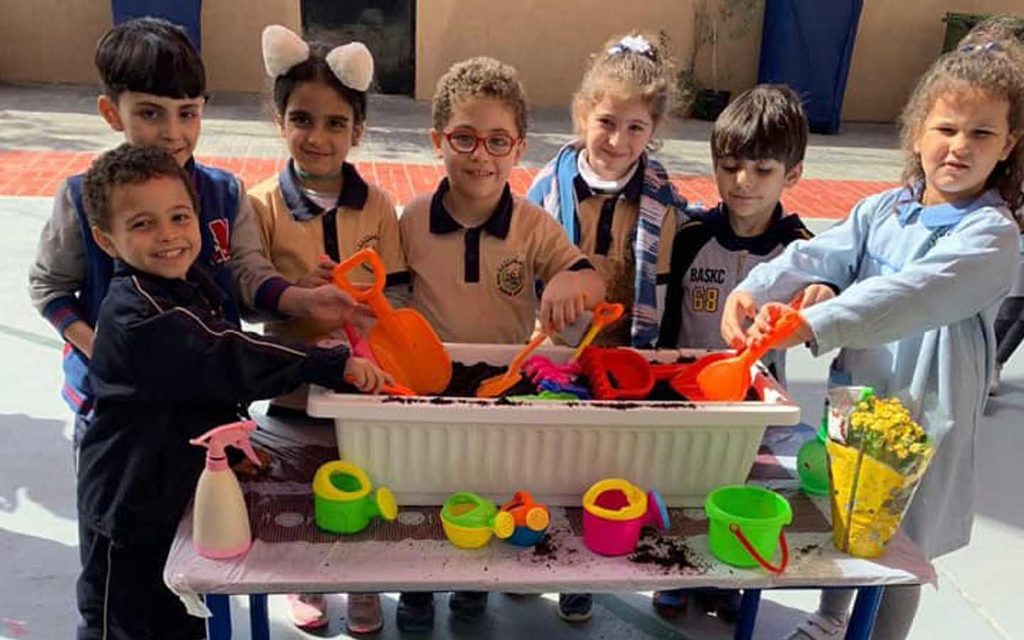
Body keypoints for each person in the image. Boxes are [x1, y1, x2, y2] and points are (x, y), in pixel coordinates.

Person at [721, 42, 1024, 640]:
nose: (959, 146)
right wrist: (754, 288)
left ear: (1008, 145)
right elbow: (818, 255)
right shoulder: (884, 210)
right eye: (946, 128)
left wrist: (814, 323)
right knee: (848, 508)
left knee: (906, 539)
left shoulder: (992, 235)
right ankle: (832, 618)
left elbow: (909, 294)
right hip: (861, 393)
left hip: (926, 406)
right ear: (917, 131)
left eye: (982, 133)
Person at [74, 143, 391, 639]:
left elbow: (195, 389)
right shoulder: (140, 315)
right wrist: (329, 364)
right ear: (106, 240)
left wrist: (231, 446)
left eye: (179, 217)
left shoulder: (183, 283)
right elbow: (225, 352)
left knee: (182, 616)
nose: (168, 235)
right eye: (142, 224)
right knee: (125, 624)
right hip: (129, 505)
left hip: (172, 486)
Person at [26, 17, 353, 449]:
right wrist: (99, 348)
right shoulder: (82, 198)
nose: (172, 133)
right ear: (111, 112)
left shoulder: (225, 193)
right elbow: (48, 285)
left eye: (188, 113)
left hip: (210, 406)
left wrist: (302, 299)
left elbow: (247, 275)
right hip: (117, 412)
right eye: (150, 113)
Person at [396, 55, 605, 632]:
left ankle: (471, 587)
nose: (480, 155)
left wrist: (567, 283)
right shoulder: (412, 219)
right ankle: (416, 586)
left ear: (518, 149)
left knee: (486, 488)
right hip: (427, 385)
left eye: (497, 141)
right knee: (424, 488)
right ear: (438, 141)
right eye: (463, 138)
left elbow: (590, 279)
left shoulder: (532, 225)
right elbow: (389, 299)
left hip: (503, 387)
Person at [245, 24, 408, 633]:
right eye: (302, 119)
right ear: (279, 121)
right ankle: (306, 576)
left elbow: (399, 291)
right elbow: (250, 302)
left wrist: (369, 308)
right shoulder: (260, 204)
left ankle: (364, 582)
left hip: (366, 385)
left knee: (365, 479)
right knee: (302, 485)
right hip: (292, 385)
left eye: (336, 123)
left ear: (357, 130)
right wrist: (299, 297)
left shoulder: (378, 205)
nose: (318, 137)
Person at [653, 83, 819, 623]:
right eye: (729, 166)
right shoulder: (691, 236)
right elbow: (665, 318)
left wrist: (820, 301)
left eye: (762, 169)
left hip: (756, 406)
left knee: (740, 488)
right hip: (688, 395)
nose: (742, 181)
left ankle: (729, 579)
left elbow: (821, 323)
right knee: (680, 487)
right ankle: (676, 571)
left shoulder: (803, 250)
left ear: (792, 174)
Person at [528, 32, 683, 351]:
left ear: (653, 129)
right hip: (552, 353)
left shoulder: (661, 209)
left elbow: (660, 297)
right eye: (607, 122)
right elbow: (524, 287)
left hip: (626, 357)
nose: (617, 141)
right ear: (583, 114)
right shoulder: (546, 192)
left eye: (635, 127)